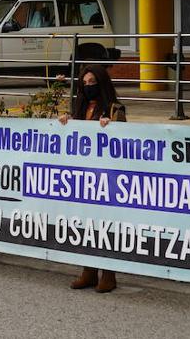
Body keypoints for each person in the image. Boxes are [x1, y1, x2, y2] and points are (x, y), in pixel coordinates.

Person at [58, 65, 125, 292]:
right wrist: (66, 122)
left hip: (106, 178)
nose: (88, 87)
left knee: (105, 225)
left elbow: (125, 139)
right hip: (83, 176)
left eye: (92, 82)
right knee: (85, 224)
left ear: (102, 83)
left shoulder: (115, 108)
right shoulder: (80, 108)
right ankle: (88, 271)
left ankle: (108, 273)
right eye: (84, 84)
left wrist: (112, 126)